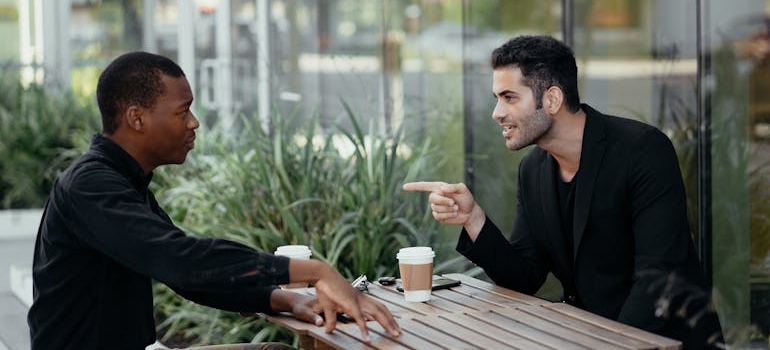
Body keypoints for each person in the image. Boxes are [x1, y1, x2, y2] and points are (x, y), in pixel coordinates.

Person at [27, 51, 401, 350]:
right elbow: (182, 261)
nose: (194, 123)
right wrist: (317, 272)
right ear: (136, 118)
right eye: (181, 110)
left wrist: (287, 301)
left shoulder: (119, 179)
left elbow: (190, 276)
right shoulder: (91, 185)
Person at [403, 35, 723, 349]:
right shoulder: (533, 170)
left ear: (552, 99)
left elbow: (658, 278)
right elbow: (524, 278)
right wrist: (473, 219)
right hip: (586, 337)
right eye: (496, 98)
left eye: (509, 97)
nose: (496, 113)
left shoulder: (642, 150)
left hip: (662, 341)